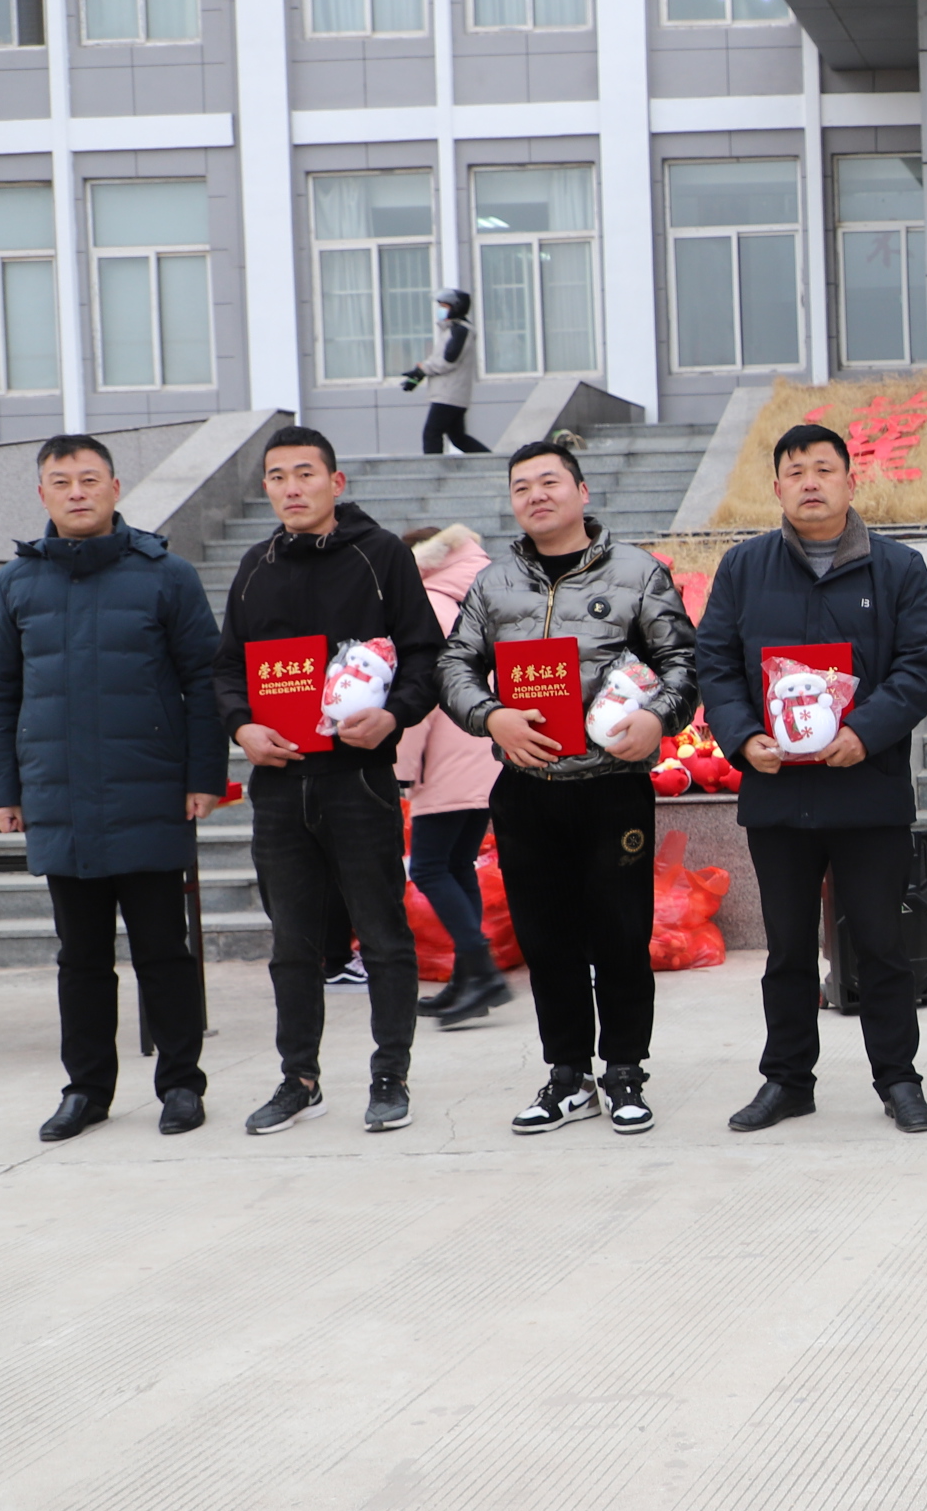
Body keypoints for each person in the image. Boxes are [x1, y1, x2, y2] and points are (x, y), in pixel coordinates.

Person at [437, 442, 699, 1135]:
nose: (536, 495)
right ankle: (568, 1075)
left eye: (549, 481)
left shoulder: (637, 572)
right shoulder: (493, 584)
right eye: (521, 486)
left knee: (620, 935)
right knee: (545, 939)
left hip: (611, 789)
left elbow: (683, 660)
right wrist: (490, 714)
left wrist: (657, 719)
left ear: (582, 491)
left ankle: (624, 1070)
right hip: (527, 788)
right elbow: (455, 665)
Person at [696, 423, 927, 1135]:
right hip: (779, 793)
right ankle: (787, 1080)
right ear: (777, 487)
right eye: (796, 471)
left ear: (850, 481)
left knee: (882, 943)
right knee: (786, 950)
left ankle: (898, 1079)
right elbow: (715, 661)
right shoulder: (744, 568)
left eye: (824, 469)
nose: (810, 482)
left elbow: (922, 663)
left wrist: (864, 732)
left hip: (868, 789)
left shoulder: (897, 568)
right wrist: (743, 736)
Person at [0, 436, 226, 1141]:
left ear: (116, 488)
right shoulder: (16, 583)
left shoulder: (165, 575)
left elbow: (203, 680)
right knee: (80, 959)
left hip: (149, 792)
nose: (77, 492)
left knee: (163, 952)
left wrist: (204, 775)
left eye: (89, 479)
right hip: (59, 797)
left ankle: (181, 1084)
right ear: (43, 495)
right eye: (62, 482)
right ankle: (86, 1090)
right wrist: (2, 789)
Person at [214, 425, 445, 1137]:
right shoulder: (255, 566)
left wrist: (394, 716)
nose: (292, 488)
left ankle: (390, 1075)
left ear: (335, 483)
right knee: (292, 943)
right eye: (278, 476)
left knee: (382, 933)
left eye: (306, 473)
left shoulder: (381, 556)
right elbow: (226, 669)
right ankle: (299, 1079)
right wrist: (242, 728)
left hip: (359, 779)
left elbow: (425, 656)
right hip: (281, 785)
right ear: (266, 488)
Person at [398, 524, 511, 1028]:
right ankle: (469, 979)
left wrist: (401, 768)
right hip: (484, 749)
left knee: (427, 867)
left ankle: (483, 972)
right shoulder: (480, 596)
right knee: (457, 864)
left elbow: (420, 697)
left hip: (446, 757)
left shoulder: (429, 605)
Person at [405, 289, 488, 454]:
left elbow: (449, 361)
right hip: (451, 392)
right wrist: (419, 372)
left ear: (456, 307)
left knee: (432, 434)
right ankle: (494, 463)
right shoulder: (452, 331)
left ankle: (434, 469)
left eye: (444, 306)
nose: (441, 310)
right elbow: (441, 359)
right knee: (458, 438)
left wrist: (423, 369)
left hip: (449, 394)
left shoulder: (460, 331)